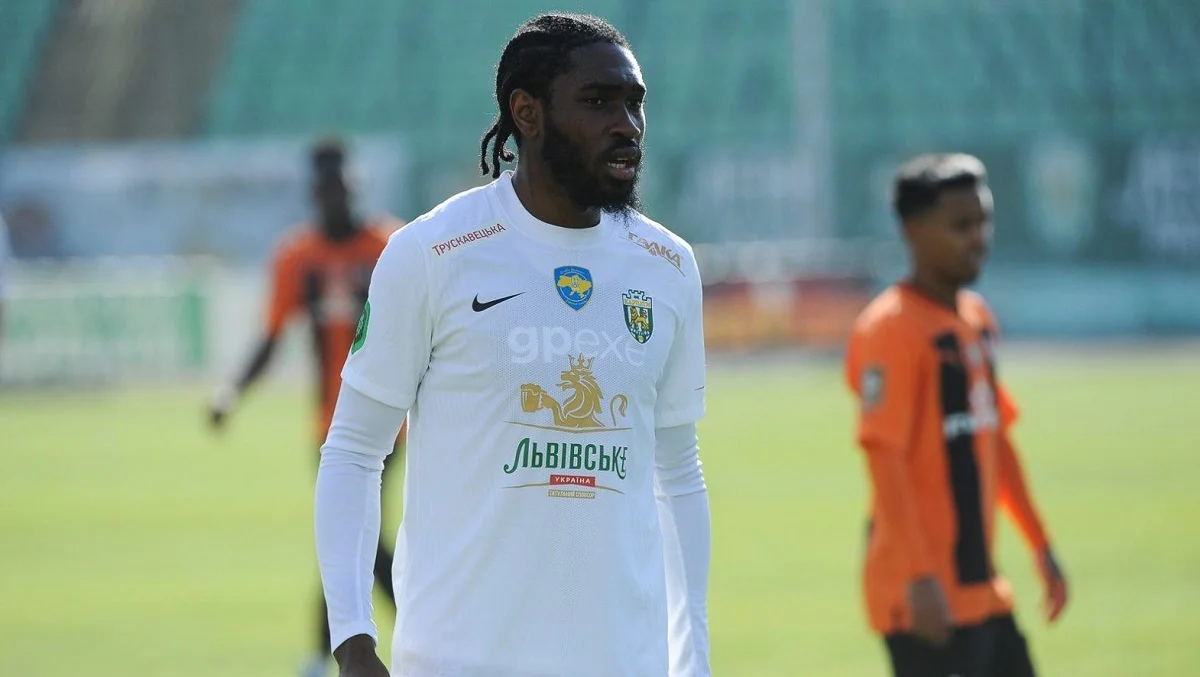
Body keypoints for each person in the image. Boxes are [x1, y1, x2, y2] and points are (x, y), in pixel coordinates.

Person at [315, 13, 711, 677]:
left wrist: (693, 659)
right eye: (598, 102)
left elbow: (679, 474)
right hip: (457, 661)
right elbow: (354, 449)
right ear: (527, 113)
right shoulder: (433, 253)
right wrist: (353, 639)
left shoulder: (668, 265)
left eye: (634, 103)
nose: (627, 125)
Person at [844, 153, 1070, 677]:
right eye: (961, 225)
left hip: (982, 592)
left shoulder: (975, 319)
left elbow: (994, 441)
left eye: (983, 221)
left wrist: (1040, 543)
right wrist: (919, 578)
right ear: (912, 230)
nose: (978, 237)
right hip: (924, 601)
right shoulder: (891, 329)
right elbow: (884, 457)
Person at [207, 138, 404, 677]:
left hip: (387, 422)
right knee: (345, 536)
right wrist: (232, 392)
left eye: (342, 186)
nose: (335, 197)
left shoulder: (389, 246)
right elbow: (271, 338)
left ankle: (400, 632)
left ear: (355, 186)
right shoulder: (297, 256)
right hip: (328, 426)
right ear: (313, 192)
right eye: (326, 188)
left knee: (352, 537)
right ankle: (327, 654)